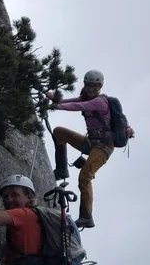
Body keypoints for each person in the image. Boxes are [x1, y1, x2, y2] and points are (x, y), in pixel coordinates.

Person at [47, 68, 133, 228]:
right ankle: (61, 170)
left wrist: (56, 106)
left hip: (104, 147)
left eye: (95, 86)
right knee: (59, 132)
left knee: (85, 176)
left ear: (100, 87)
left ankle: (87, 217)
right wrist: (53, 99)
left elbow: (76, 106)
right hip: (91, 143)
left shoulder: (100, 102)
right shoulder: (86, 97)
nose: (91, 89)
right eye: (89, 85)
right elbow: (70, 101)